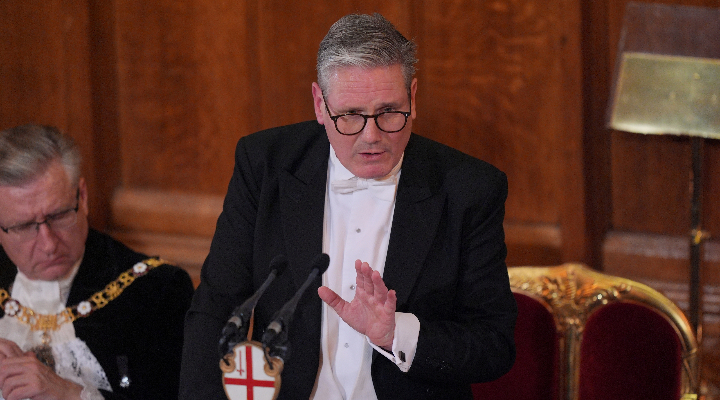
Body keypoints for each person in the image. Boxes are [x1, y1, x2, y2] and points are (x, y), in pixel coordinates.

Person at [180, 13, 516, 400]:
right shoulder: (265, 165)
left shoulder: (469, 189)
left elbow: (493, 345)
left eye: (390, 112)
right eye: (351, 116)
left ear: (414, 98)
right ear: (320, 106)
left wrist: (397, 334)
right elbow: (214, 309)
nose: (371, 136)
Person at [0, 124, 194, 400]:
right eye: (23, 226)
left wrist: (70, 393)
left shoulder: (158, 291)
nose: (48, 243)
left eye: (59, 215)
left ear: (83, 196)